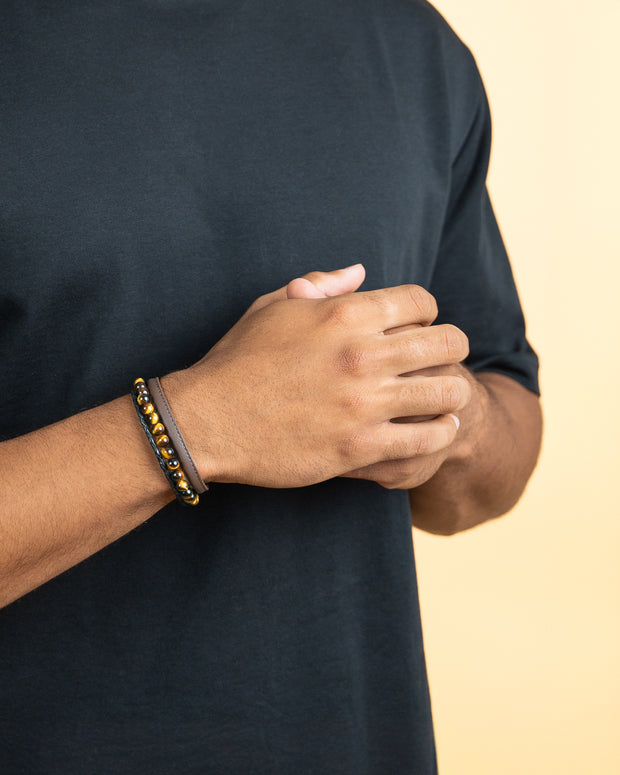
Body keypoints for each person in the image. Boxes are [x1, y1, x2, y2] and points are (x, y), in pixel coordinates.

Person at [0, 1, 542, 772]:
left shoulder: (412, 43)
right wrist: (202, 425)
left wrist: (442, 419)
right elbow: (219, 420)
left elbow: (496, 457)